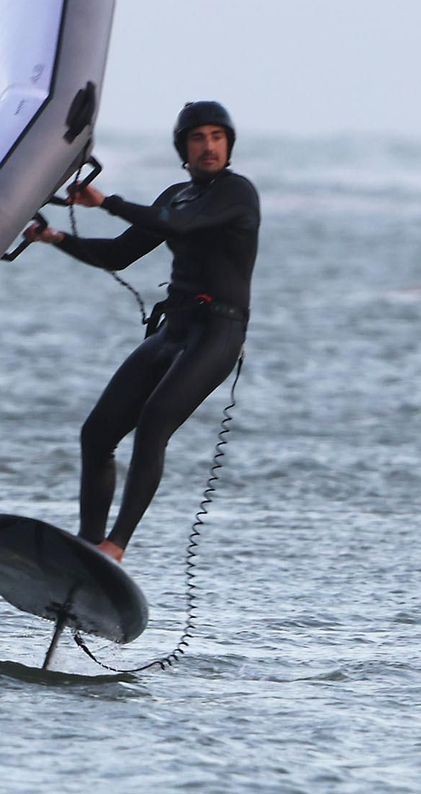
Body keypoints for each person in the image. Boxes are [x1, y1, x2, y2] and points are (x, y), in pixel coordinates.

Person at [23, 101, 260, 562]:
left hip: (218, 332)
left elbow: (180, 226)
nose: (208, 146)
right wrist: (56, 239)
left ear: (228, 145)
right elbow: (119, 254)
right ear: (183, 149)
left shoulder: (237, 193)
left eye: (217, 137)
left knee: (154, 424)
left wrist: (106, 202)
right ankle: (89, 543)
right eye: (198, 138)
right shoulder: (177, 195)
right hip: (174, 330)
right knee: (97, 434)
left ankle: (115, 546)